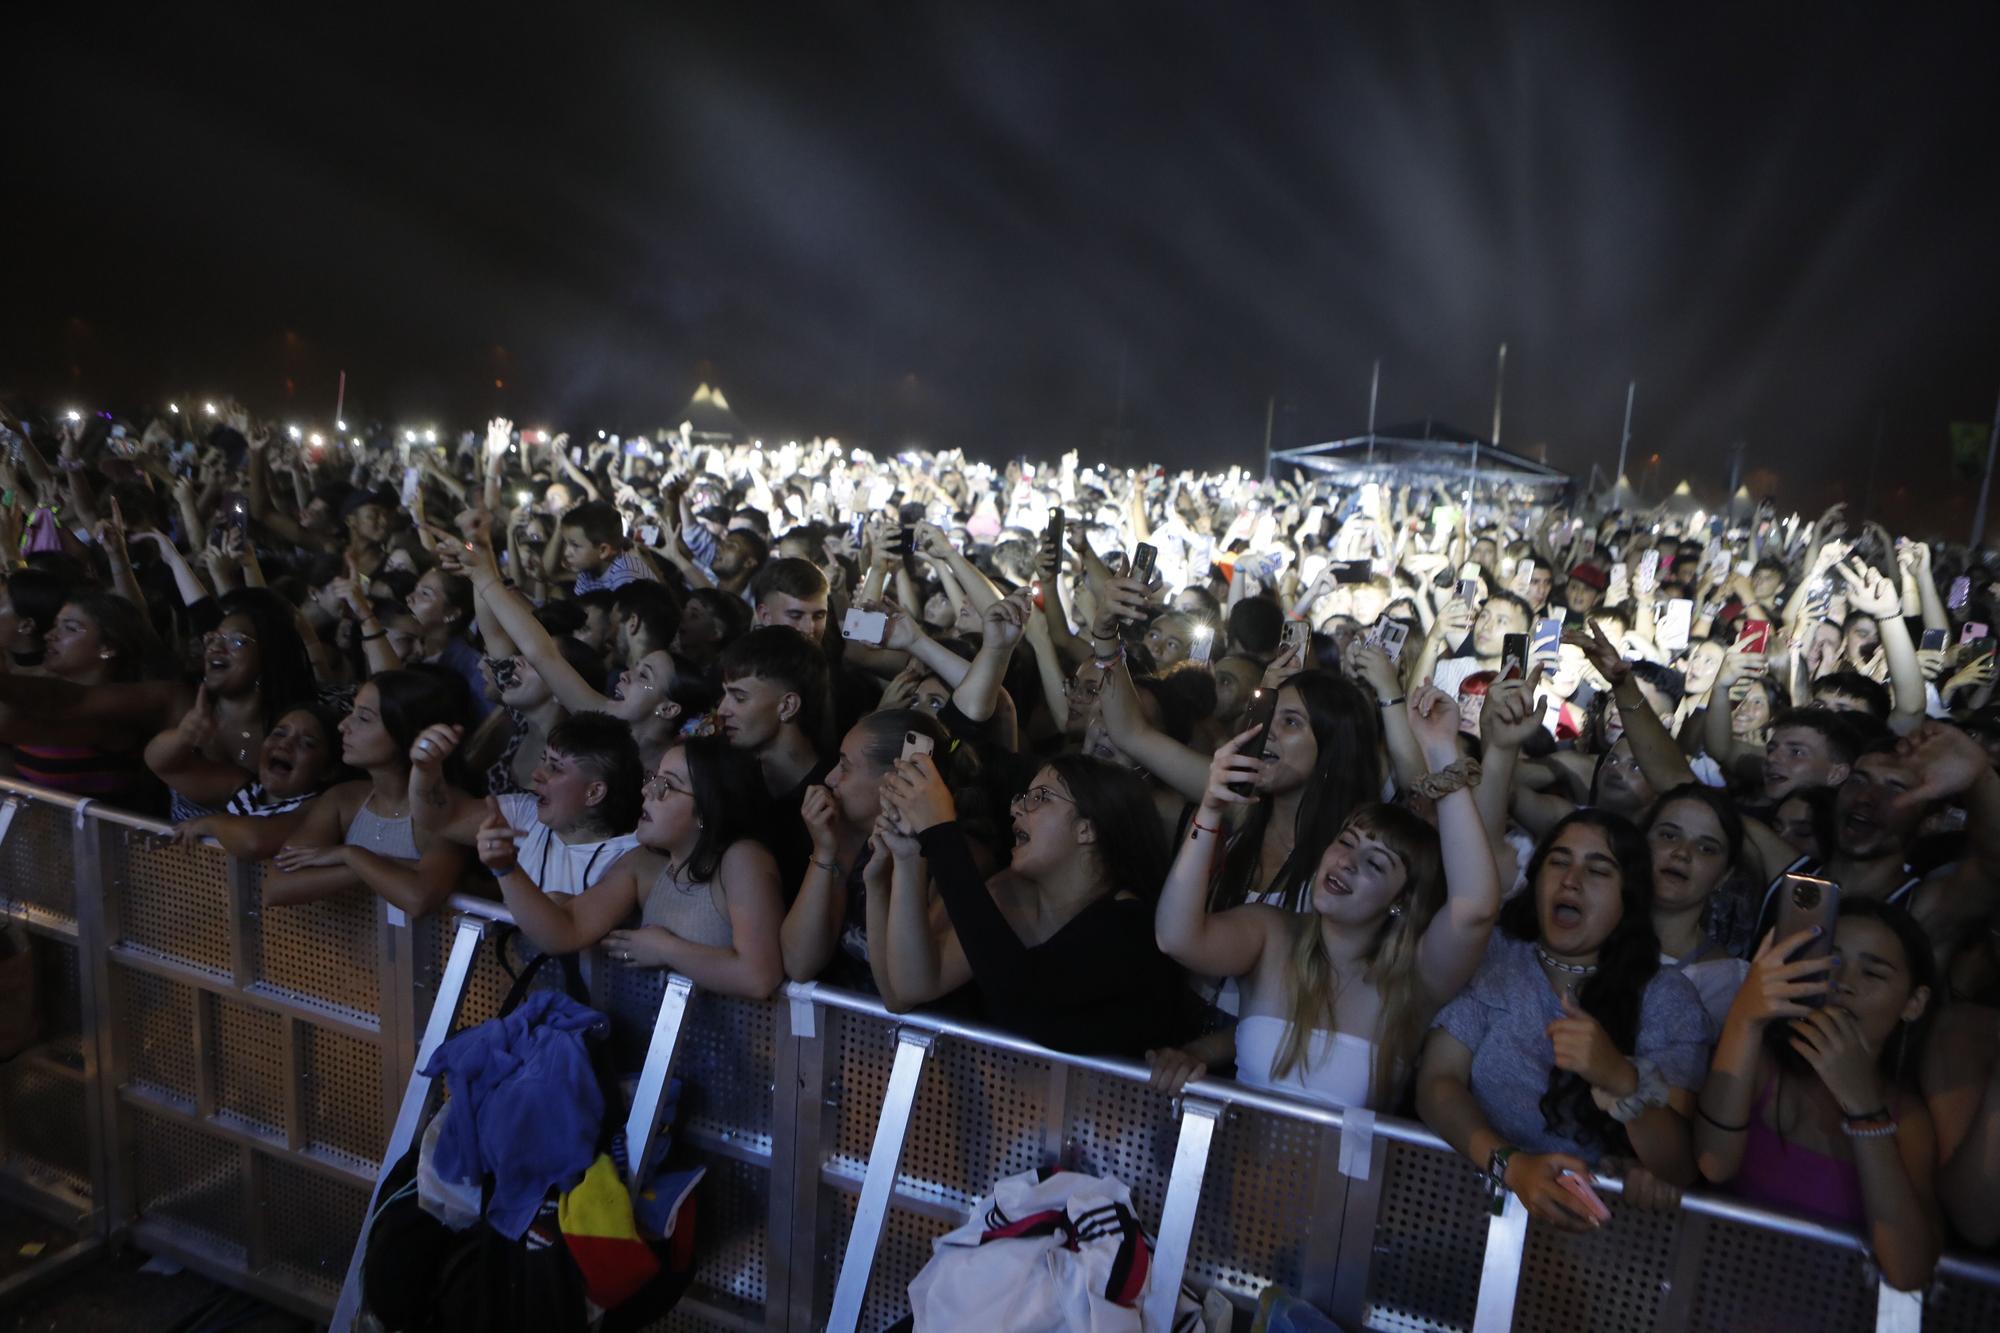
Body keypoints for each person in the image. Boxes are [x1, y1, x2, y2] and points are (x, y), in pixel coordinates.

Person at [1152, 683, 1500, 1108]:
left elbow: (1475, 910)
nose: (1348, 862)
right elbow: (1176, 938)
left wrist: (1442, 750)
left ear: (1402, 899)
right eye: (1346, 842)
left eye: (1376, 863)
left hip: (1344, 1177)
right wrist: (1209, 809)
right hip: (1237, 1168)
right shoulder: (1271, 932)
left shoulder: (1415, 978)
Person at [1417, 811, 1711, 1230]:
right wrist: (1512, 1166)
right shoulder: (1496, 954)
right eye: (1558, 861)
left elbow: (1678, 1165)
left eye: (1598, 870)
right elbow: (1436, 1082)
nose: (1571, 880)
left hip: (1594, 1243)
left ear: (1629, 896)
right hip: (1459, 1210)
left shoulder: (1667, 997)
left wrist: (1620, 1079)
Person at [1694, 901, 1940, 1290]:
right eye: (1831, 961)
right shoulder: (1762, 1065)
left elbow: (1908, 1271)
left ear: (1914, 1003)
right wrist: (1745, 1015)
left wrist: (1864, 1109)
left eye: (1873, 973)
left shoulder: (1908, 1118)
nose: (1843, 983)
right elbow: (1713, 1164)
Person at [877, 752, 1183, 1056]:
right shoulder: (1013, 892)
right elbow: (913, 986)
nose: (1016, 808)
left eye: (1041, 797)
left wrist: (941, 832)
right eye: (1023, 795)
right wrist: (908, 857)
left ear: (1087, 829)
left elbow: (1023, 997)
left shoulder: (1130, 927)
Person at [473, 737, 784, 999]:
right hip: (655, 1057)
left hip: (733, 1066)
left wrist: (666, 948)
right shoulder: (644, 864)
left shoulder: (743, 860)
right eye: (653, 779)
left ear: (707, 808)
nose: (647, 792)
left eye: (667, 786)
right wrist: (506, 869)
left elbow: (759, 976)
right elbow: (564, 930)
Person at [262, 670, 471, 916]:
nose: (343, 726)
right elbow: (276, 887)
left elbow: (418, 898)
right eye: (352, 712)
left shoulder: (446, 807)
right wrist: (366, 869)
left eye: (363, 717)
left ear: (405, 731)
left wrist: (350, 854)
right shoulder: (343, 799)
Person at [780, 708, 954, 992]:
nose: (830, 778)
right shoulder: (849, 839)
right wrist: (825, 852)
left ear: (897, 778)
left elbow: (904, 991)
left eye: (845, 767)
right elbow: (799, 963)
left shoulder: (948, 860)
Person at [406, 711, 644, 898]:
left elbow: (560, 931)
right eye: (543, 761)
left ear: (594, 792)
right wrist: (425, 770)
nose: (537, 774)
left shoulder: (628, 857)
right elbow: (438, 819)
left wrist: (505, 869)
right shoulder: (525, 814)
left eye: (555, 767)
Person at [165, 703, 352, 859]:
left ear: (327, 771)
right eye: (279, 733)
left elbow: (254, 842)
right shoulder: (244, 785)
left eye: (307, 743)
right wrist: (182, 736)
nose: (285, 744)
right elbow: (164, 764)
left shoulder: (315, 809)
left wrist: (209, 823)